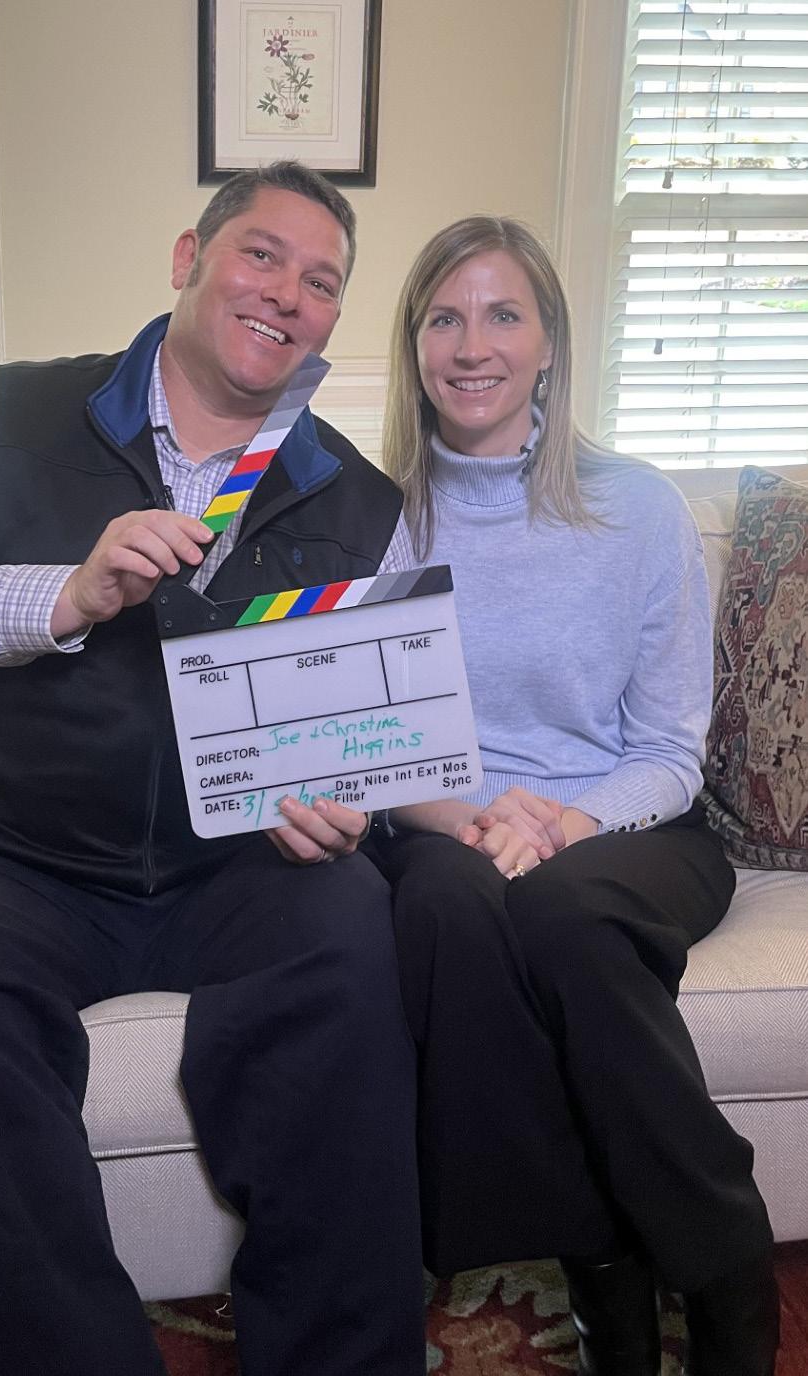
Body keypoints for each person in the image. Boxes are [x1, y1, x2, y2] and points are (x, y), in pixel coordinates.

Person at [0, 161, 427, 1376]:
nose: (289, 293)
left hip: (237, 870)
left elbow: (377, 735)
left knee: (359, 939)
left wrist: (346, 806)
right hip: (2, 859)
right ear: (188, 259)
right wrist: (69, 591)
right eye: (262, 254)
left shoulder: (363, 501)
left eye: (322, 282)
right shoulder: (7, 410)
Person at [375, 216, 778, 1376]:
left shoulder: (636, 506)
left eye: (503, 314)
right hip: (451, 826)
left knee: (563, 910)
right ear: (414, 345)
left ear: (549, 339)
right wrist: (479, 815)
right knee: (444, 912)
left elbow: (668, 747)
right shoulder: (374, 516)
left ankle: (723, 1266)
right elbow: (376, 743)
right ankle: (605, 1269)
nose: (472, 345)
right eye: (445, 318)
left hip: (630, 821)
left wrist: (562, 818)